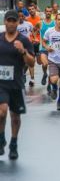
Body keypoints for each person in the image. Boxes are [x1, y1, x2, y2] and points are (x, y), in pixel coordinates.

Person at [0, 10, 35, 160]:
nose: (11, 23)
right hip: (1, 83)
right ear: (5, 22)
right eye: (9, 20)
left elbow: (32, 62)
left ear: (17, 23)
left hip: (16, 83)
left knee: (15, 116)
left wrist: (22, 51)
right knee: (2, 112)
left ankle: (13, 143)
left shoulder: (24, 40)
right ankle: (1, 139)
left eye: (14, 21)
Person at [28, 22, 41, 87]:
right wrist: (34, 38)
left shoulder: (42, 34)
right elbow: (31, 40)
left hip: (39, 50)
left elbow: (40, 41)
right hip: (32, 49)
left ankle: (45, 74)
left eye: (39, 29)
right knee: (31, 64)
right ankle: (32, 79)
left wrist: (37, 39)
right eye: (37, 28)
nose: (38, 30)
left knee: (39, 63)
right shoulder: (31, 34)